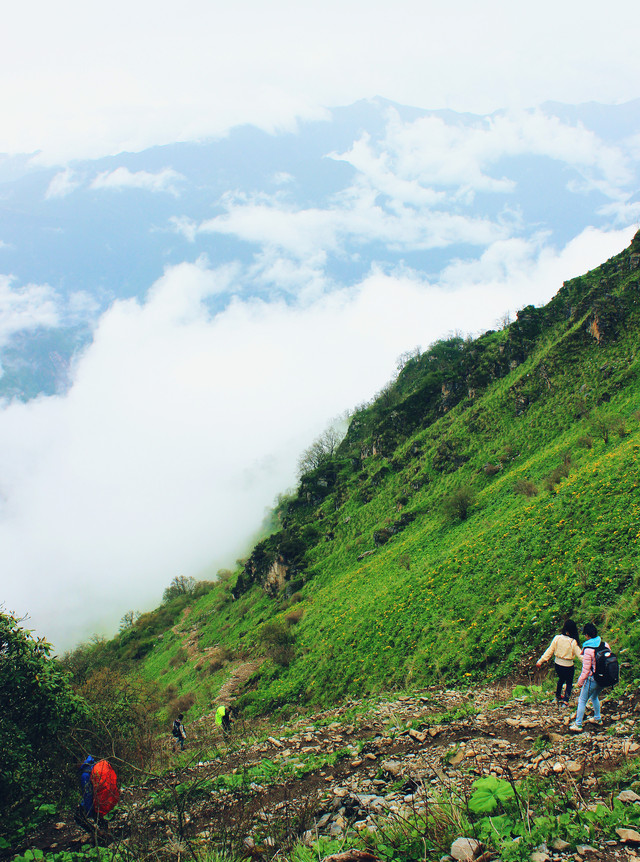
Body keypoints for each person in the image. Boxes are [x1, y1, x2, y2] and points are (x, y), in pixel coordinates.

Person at [569, 622, 609, 733]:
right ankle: (598, 718)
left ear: (587, 635)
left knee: (582, 700)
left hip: (593, 679)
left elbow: (586, 669)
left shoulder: (588, 649)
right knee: (594, 696)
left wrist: (580, 682)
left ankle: (578, 724)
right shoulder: (605, 644)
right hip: (604, 678)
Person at [536, 619, 582, 705]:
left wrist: (540, 661)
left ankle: (557, 695)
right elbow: (580, 655)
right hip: (568, 665)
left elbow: (549, 651)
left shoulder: (557, 638)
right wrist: (589, 663)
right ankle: (566, 699)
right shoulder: (573, 642)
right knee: (569, 682)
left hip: (558, 664)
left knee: (561, 679)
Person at [74, 755, 119, 831]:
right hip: (102, 798)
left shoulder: (85, 775)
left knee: (78, 817)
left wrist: (88, 811)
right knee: (101, 821)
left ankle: (97, 834)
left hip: (95, 802)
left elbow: (87, 794)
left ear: (78, 763)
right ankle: (104, 833)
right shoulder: (93, 764)